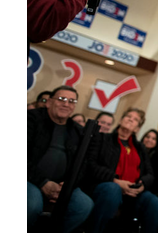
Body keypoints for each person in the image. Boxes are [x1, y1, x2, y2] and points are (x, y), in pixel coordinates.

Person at [84, 108, 158, 233]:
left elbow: (150, 174)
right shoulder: (103, 139)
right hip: (107, 185)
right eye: (128, 116)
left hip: (133, 191)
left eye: (136, 119)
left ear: (137, 128)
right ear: (121, 120)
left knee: (154, 202)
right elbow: (91, 165)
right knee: (112, 189)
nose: (131, 119)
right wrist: (116, 181)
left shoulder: (140, 147)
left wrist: (142, 186)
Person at [27, 86, 94, 233]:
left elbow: (83, 163)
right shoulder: (31, 119)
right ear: (49, 102)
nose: (66, 104)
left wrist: (68, 185)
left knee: (84, 205)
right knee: (32, 205)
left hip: (62, 185)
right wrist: (43, 182)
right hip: (30, 179)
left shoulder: (77, 131)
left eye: (71, 101)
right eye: (62, 99)